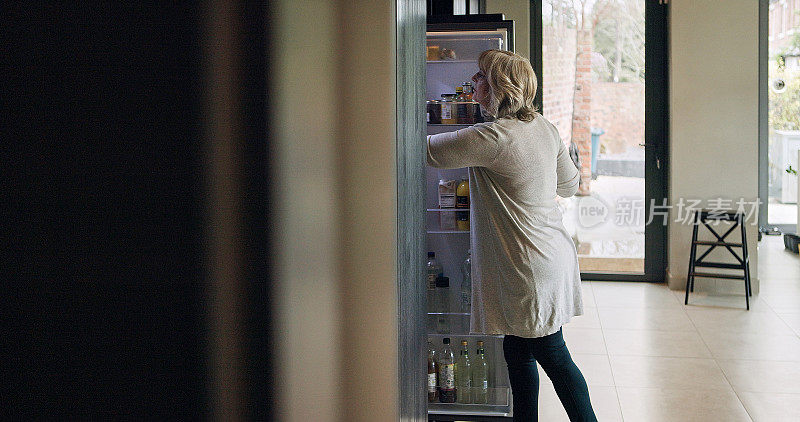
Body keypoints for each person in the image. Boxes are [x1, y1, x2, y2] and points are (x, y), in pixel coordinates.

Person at [427, 49, 597, 422]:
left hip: (526, 264)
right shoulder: (543, 126)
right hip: (550, 252)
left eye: (480, 76)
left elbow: (425, 151)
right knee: (518, 351)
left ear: (499, 87)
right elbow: (569, 186)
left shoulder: (492, 137)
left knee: (553, 353)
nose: (474, 82)